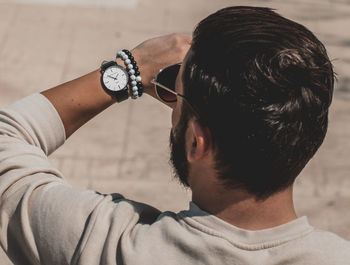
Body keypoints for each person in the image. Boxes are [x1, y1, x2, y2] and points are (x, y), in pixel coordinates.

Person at [0, 6, 349, 265]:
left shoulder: (107, 245)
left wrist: (129, 70)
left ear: (197, 142)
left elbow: (6, 139)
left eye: (175, 94)